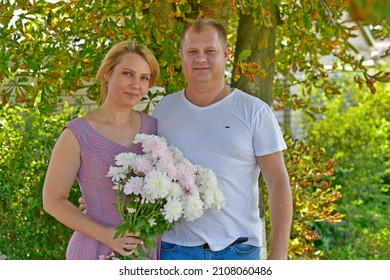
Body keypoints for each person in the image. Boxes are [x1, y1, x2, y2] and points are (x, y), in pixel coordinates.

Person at [152, 18, 293, 260]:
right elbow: (147, 175)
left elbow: (278, 183)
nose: (201, 59)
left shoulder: (254, 112)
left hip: (238, 250)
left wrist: (278, 258)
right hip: (174, 250)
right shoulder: (163, 110)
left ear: (226, 54)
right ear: (181, 55)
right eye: (192, 52)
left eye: (210, 51)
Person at [42, 40, 160, 260]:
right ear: (107, 73)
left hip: (144, 250)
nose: (136, 84)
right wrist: (108, 235)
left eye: (144, 78)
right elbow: (53, 201)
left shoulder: (154, 128)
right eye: (127, 74)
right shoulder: (77, 134)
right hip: (93, 250)